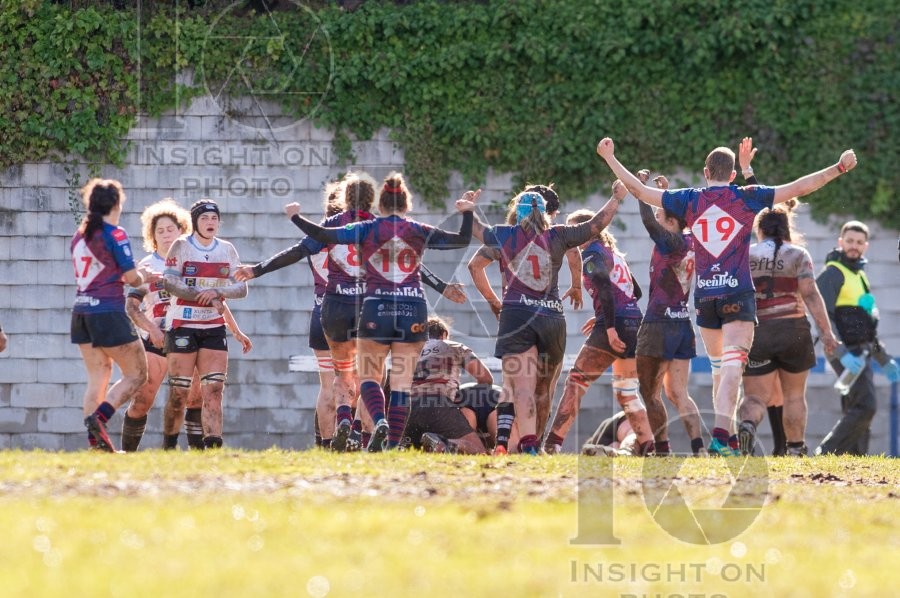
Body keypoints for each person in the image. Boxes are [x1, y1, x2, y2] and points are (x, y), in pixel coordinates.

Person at [596, 135, 858, 455]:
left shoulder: (688, 199)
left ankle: (729, 438)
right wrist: (838, 168)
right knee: (734, 364)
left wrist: (610, 158)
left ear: (706, 171)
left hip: (705, 298)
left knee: (722, 369)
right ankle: (722, 435)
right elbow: (798, 187)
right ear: (732, 175)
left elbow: (639, 191)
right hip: (737, 292)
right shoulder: (746, 196)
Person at [287, 172, 477, 451]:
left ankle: (354, 433)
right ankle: (381, 441)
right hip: (396, 307)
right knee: (394, 382)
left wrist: (295, 219)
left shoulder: (350, 231)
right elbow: (449, 245)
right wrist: (467, 214)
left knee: (352, 379)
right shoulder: (405, 229)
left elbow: (316, 238)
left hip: (354, 310)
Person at [469, 182, 624, 454]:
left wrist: (468, 209)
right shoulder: (559, 235)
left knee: (521, 387)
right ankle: (535, 444)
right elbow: (596, 225)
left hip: (518, 315)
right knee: (547, 387)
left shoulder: (505, 235)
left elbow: (477, 236)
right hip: (552, 318)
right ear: (545, 213)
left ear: (517, 213)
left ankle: (521, 444)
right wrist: (615, 197)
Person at [126, 199, 251, 451]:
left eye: (170, 229)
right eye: (159, 231)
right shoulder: (148, 265)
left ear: (182, 228)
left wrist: (235, 330)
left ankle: (200, 452)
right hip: (160, 335)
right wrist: (151, 329)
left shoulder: (197, 252)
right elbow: (131, 306)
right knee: (146, 397)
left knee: (199, 395)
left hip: (197, 328)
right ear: (151, 236)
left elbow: (219, 296)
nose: (166, 235)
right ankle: (132, 452)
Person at [543, 201, 656, 456]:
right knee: (627, 392)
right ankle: (650, 447)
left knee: (576, 382)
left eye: (576, 230)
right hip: (634, 322)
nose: (572, 236)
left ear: (590, 230)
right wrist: (605, 315)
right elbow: (634, 292)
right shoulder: (612, 252)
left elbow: (604, 286)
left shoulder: (592, 253)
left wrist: (610, 326)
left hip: (615, 325)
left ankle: (551, 445)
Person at [737, 201, 838, 456]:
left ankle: (748, 425)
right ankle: (794, 449)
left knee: (754, 397)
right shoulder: (799, 255)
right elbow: (811, 295)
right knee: (793, 396)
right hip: (794, 331)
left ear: (759, 229)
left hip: (758, 332)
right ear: (786, 229)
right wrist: (827, 333)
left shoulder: (746, 255)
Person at [69, 178, 148, 452]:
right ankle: (99, 418)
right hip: (108, 312)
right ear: (117, 203)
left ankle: (97, 447)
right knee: (137, 374)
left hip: (82, 312)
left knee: (98, 377)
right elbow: (131, 277)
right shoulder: (114, 234)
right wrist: (143, 277)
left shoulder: (80, 236)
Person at [162, 199, 248, 449]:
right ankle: (168, 447)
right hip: (182, 324)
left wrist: (216, 292)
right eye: (204, 219)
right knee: (179, 393)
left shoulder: (227, 249)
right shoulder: (180, 246)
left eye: (214, 219)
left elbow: (241, 287)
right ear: (194, 222)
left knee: (214, 388)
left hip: (213, 326)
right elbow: (170, 282)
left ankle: (212, 447)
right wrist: (200, 293)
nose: (210, 223)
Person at [632, 170, 705, 456]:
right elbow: (666, 219)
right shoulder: (689, 241)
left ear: (672, 223)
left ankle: (662, 449)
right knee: (678, 393)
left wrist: (639, 189)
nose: (659, 223)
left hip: (658, 324)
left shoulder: (670, 242)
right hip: (681, 325)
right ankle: (699, 448)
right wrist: (667, 194)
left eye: (664, 218)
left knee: (650, 394)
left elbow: (650, 222)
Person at [815, 221, 899, 455]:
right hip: (843, 351)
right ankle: (827, 451)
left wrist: (883, 358)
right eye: (850, 241)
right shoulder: (832, 273)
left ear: (866, 246)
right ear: (840, 242)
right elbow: (823, 318)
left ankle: (855, 459)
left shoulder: (860, 275)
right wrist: (839, 352)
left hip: (861, 351)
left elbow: (867, 326)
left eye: (859, 242)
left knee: (855, 406)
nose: (854, 246)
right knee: (865, 406)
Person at [404, 316, 494, 454]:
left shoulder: (409, 352)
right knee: (478, 450)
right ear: (444, 335)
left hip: (407, 407)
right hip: (438, 404)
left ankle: (431, 444)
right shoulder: (454, 346)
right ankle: (445, 443)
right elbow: (485, 378)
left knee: (415, 451)